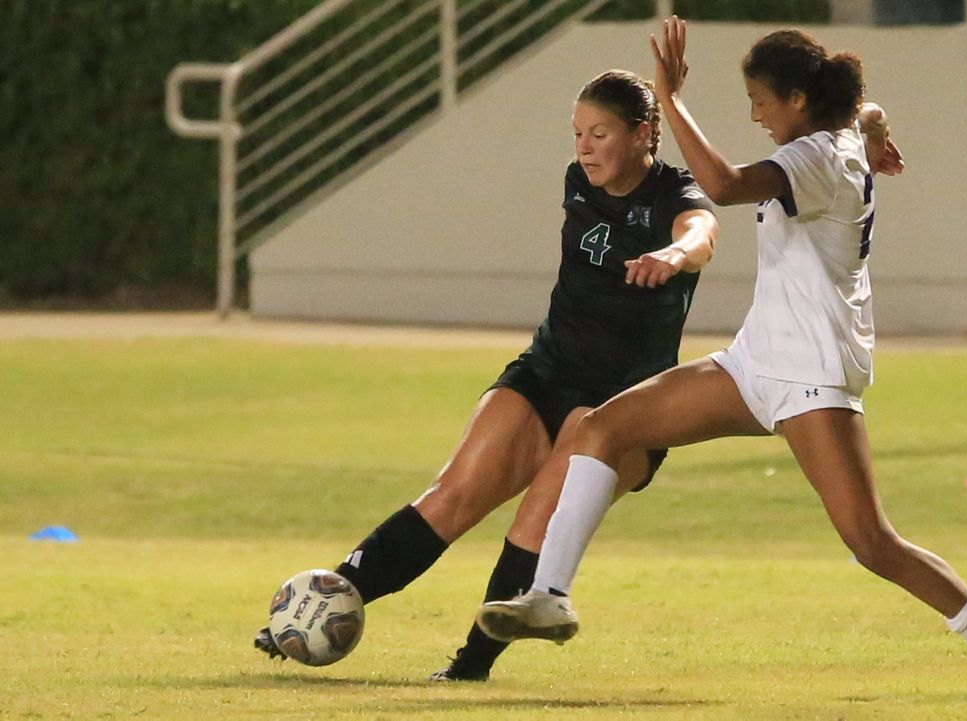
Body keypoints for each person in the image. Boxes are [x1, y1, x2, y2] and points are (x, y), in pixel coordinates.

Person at [477, 19, 967, 698]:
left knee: (871, 542)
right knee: (602, 426)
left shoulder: (816, 159)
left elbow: (726, 186)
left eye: (760, 100)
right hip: (757, 359)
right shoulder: (837, 133)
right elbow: (862, 112)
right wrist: (876, 126)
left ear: (796, 99)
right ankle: (549, 594)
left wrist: (671, 99)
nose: (755, 113)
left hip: (811, 372)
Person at [253, 69, 720, 682]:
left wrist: (673, 254)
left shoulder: (672, 196)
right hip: (547, 371)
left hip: (623, 404)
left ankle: (469, 667)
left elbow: (703, 230)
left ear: (641, 134)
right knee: (453, 495)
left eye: (599, 133)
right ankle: (318, 609)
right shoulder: (579, 180)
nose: (583, 147)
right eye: (577, 133)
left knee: (536, 517)